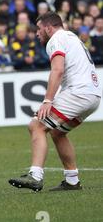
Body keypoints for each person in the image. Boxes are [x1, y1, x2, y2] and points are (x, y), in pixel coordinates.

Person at [9, 12, 102, 191]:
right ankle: (72, 180)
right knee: (57, 132)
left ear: (48, 27)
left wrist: (47, 100)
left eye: (38, 29)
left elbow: (57, 70)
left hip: (78, 92)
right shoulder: (71, 37)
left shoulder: (56, 39)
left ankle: (35, 176)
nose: (36, 33)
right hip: (93, 94)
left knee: (36, 125)